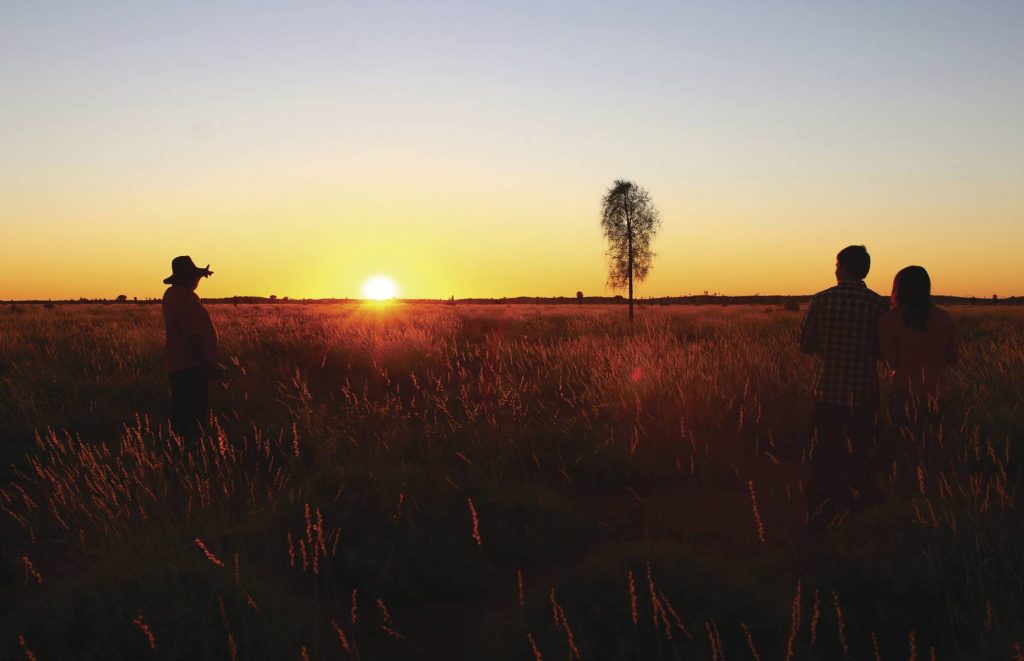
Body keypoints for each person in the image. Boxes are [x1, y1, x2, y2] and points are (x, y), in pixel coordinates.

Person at [798, 245, 889, 531]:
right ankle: (861, 512)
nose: (835, 269)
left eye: (837, 264)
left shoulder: (821, 300)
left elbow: (805, 345)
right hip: (864, 392)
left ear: (845, 268)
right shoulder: (877, 304)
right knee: (861, 452)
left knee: (825, 453)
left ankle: (822, 513)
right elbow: (881, 350)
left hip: (828, 391)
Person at [879, 266, 959, 490]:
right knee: (933, 450)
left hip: (902, 394)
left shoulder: (889, 320)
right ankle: (932, 496)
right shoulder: (945, 318)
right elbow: (953, 358)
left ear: (898, 289)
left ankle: (905, 497)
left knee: (904, 451)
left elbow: (890, 362)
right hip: (937, 394)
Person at [162, 256, 220, 438]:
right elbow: (191, 338)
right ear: (188, 278)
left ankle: (179, 455)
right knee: (193, 420)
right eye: (194, 276)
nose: (197, 280)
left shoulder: (172, 294)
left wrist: (201, 273)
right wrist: (208, 365)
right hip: (191, 368)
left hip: (180, 365)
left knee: (182, 416)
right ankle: (189, 458)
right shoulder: (183, 299)